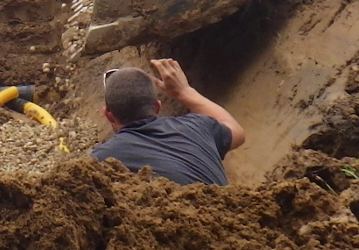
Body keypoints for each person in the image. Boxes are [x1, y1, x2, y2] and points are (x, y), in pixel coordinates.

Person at [90, 58, 246, 185]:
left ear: (108, 115)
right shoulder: (197, 126)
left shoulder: (102, 161)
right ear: (157, 107)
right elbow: (236, 132)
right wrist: (184, 91)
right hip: (233, 219)